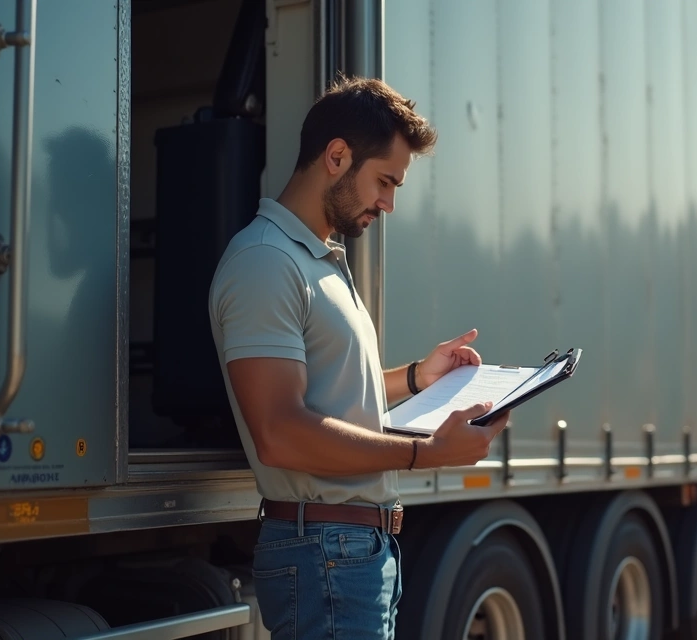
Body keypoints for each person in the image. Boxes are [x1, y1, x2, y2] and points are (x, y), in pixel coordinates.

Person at [208, 74, 511, 639]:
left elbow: (337, 393)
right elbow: (279, 430)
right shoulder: (265, 263)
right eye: (385, 181)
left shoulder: (318, 261)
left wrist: (420, 377)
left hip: (352, 551)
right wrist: (429, 454)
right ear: (338, 156)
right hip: (325, 551)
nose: (389, 203)